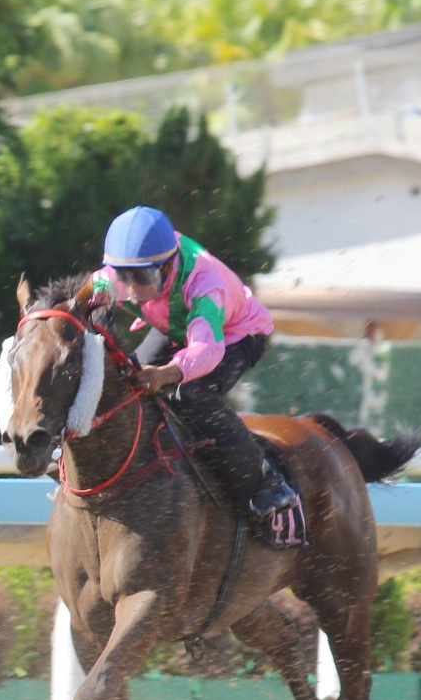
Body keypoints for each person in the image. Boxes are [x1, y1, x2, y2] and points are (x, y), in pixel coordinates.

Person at [94, 205, 299, 520]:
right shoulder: (134, 261)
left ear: (166, 267)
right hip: (178, 327)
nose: (132, 292)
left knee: (191, 394)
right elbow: (93, 288)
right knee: (127, 379)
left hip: (235, 335)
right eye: (124, 278)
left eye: (142, 279)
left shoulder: (205, 284)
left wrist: (164, 374)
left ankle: (265, 480)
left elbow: (206, 350)